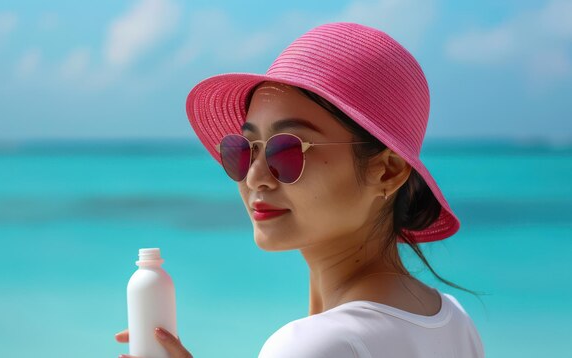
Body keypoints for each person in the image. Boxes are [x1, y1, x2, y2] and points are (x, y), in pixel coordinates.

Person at [115, 22, 485, 357]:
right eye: (243, 150)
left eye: (289, 149)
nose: (255, 176)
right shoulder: (454, 322)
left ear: (388, 171)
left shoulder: (308, 346)